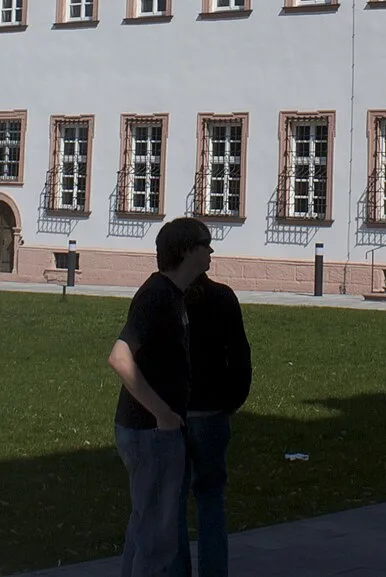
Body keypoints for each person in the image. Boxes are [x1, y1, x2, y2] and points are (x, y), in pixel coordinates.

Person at [107, 217, 213, 577]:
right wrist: (162, 414)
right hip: (151, 434)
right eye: (205, 243)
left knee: (145, 530)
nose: (211, 250)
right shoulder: (156, 297)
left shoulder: (173, 295)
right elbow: (119, 357)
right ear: (186, 251)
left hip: (154, 432)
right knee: (157, 539)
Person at [175, 269, 251, 577]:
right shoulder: (222, 297)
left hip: (173, 413)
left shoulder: (168, 298)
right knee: (210, 499)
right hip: (210, 412)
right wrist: (231, 402)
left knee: (174, 502)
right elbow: (240, 357)